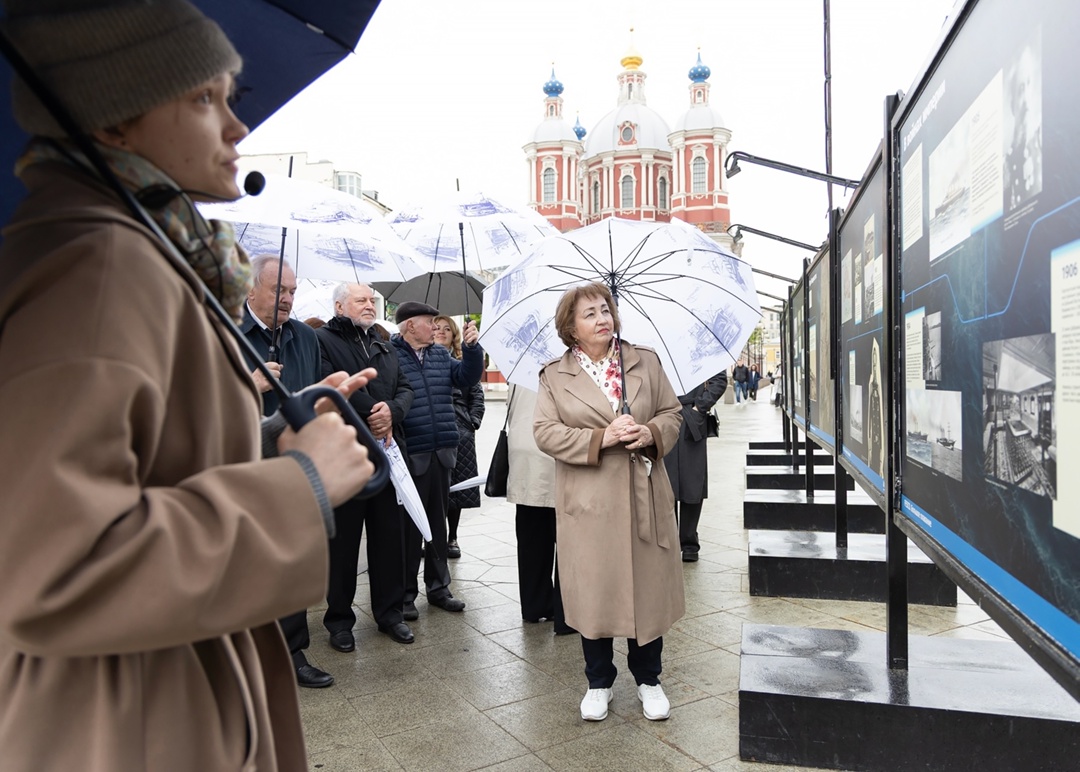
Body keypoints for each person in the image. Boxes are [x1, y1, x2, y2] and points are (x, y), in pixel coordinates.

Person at [0, 2, 375, 768]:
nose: (237, 127)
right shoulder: (101, 267)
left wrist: (270, 439)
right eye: (205, 98)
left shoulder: (144, 248)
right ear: (114, 120)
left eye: (231, 97)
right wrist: (300, 483)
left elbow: (138, 462)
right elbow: (56, 565)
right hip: (129, 718)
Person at [533, 282, 683, 723]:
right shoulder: (554, 375)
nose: (602, 319)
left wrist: (649, 433)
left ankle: (649, 679)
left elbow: (672, 413)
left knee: (647, 591)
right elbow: (545, 432)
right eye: (590, 314)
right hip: (589, 501)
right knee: (593, 592)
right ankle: (598, 681)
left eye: (605, 310)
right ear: (570, 328)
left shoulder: (644, 361)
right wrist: (603, 437)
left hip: (643, 494)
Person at [241, 255, 332, 686]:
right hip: (245, 468)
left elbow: (314, 393)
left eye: (293, 291)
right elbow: (197, 405)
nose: (287, 299)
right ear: (250, 288)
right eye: (279, 289)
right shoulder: (223, 333)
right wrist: (249, 385)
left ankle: (293, 652)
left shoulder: (305, 337)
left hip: (295, 467)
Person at [315, 283, 416, 645]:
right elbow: (330, 387)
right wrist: (375, 413)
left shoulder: (383, 342)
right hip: (345, 454)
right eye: (361, 300)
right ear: (340, 306)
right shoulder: (322, 340)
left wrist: (393, 411)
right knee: (343, 542)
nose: (369, 305)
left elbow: (405, 387)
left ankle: (390, 614)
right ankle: (339, 621)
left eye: (372, 300)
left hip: (386, 454)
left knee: (389, 537)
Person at [391, 301, 484, 617]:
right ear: (410, 326)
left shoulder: (441, 355)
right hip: (410, 453)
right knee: (409, 528)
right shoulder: (390, 355)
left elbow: (467, 377)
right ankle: (405, 595)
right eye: (430, 322)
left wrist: (471, 349)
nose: (435, 328)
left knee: (437, 525)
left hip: (442, 451)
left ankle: (439, 588)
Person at [506, 384, 574, 634]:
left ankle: (534, 606)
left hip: (523, 453)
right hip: (557, 455)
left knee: (531, 537)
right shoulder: (567, 369)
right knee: (569, 541)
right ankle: (568, 616)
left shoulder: (521, 369)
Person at [433, 315, 485, 559]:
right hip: (434, 430)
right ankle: (431, 537)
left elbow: (477, 396)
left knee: (457, 489)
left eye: (447, 329)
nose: (441, 332)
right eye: (437, 328)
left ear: (454, 335)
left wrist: (472, 421)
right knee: (434, 488)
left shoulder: (463, 363)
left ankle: (452, 537)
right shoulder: (422, 361)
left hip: (460, 432)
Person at [664, 372, 728, 562]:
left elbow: (719, 380)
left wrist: (699, 407)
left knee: (693, 481)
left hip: (691, 419)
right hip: (663, 419)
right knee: (664, 484)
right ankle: (670, 542)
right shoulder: (655, 354)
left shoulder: (702, 352)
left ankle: (689, 543)